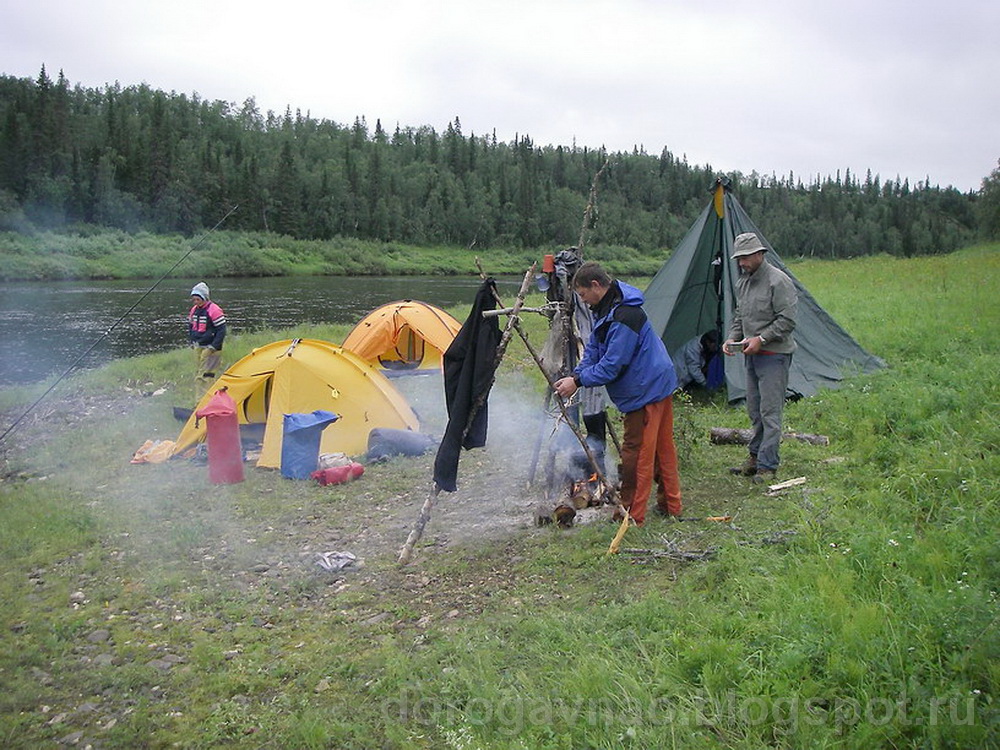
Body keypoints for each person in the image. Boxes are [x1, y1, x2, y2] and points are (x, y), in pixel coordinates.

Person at [553, 262, 681, 525]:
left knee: (637, 454)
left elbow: (612, 365)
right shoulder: (608, 309)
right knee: (660, 450)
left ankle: (631, 514)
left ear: (596, 286)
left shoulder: (624, 315)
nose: (583, 301)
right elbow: (594, 350)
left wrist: (576, 382)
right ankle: (671, 505)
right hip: (654, 383)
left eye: (583, 294)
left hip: (647, 389)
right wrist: (577, 374)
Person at [723, 232, 798, 483]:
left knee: (770, 411)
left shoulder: (779, 281)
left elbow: (787, 321)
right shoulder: (743, 282)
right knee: (755, 409)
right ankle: (754, 458)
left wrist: (761, 339)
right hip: (751, 356)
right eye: (739, 259)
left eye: (745, 258)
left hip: (774, 356)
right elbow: (739, 316)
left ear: (759, 254)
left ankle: (768, 466)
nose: (741, 263)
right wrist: (733, 339)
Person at [188, 282, 226, 379]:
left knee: (208, 374)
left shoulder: (214, 310)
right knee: (198, 371)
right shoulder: (194, 310)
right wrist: (192, 342)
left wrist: (213, 346)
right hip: (198, 345)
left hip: (212, 347)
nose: (196, 302)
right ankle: (199, 393)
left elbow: (221, 330)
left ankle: (208, 391)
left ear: (205, 298)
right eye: (194, 299)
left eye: (198, 299)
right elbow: (191, 327)